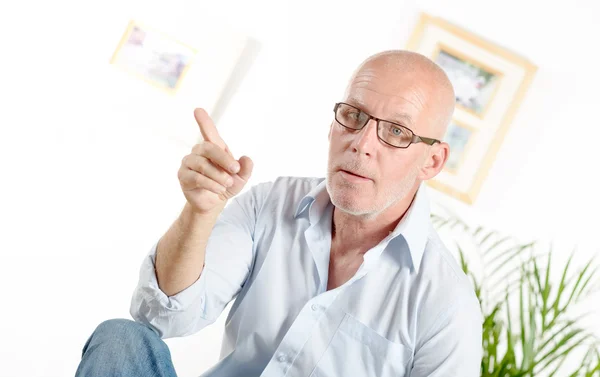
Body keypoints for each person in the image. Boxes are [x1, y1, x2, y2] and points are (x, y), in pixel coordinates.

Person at [75, 50, 483, 377]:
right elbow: (159, 316)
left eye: (396, 132)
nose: (362, 144)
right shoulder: (270, 204)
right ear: (332, 126)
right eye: (354, 116)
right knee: (122, 341)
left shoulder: (446, 305)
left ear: (432, 161)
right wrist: (199, 213)